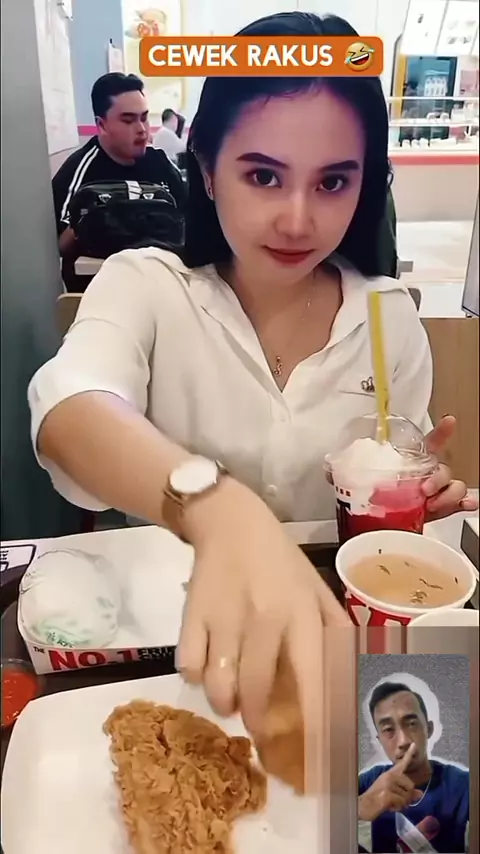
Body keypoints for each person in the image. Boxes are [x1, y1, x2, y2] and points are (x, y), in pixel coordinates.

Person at [28, 12, 476, 745]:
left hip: (334, 650)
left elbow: (396, 471)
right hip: (170, 651)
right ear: (207, 168)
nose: (297, 220)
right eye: (263, 175)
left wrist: (416, 499)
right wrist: (214, 506)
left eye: (333, 181)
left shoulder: (387, 316)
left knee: (419, 789)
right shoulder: (147, 286)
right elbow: (70, 409)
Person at [52, 73, 186, 291]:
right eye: (128, 120)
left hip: (161, 286)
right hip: (99, 292)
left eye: (144, 118)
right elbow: (60, 247)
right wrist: (95, 217)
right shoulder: (79, 170)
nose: (142, 129)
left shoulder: (161, 162)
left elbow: (190, 217)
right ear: (102, 125)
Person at [358, 681, 469, 853]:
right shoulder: (370, 783)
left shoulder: (464, 785)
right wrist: (358, 809)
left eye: (411, 724)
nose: (403, 741)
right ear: (380, 740)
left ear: (429, 729)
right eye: (388, 729)